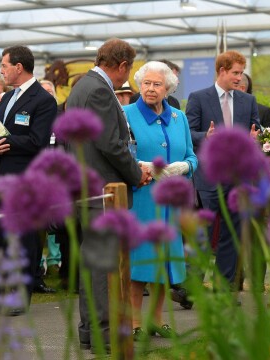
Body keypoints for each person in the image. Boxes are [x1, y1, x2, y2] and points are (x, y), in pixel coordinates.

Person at [65, 38, 152, 350]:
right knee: (104, 267)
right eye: (126, 72)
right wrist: (135, 172)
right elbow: (111, 144)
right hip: (103, 191)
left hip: (87, 188)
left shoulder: (81, 87)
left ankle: (90, 331)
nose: (124, 79)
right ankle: (103, 333)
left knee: (93, 263)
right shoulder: (100, 90)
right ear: (123, 65)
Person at [0, 45, 58, 316]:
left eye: (4, 65)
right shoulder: (8, 98)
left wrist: (4, 141)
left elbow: (38, 141)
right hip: (0, 179)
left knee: (23, 239)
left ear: (19, 67)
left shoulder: (43, 100)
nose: (1, 70)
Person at [124, 61, 198, 339]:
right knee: (140, 262)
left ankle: (156, 320)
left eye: (156, 84)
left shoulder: (179, 117)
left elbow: (192, 156)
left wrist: (184, 167)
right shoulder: (127, 113)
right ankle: (134, 323)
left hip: (172, 203)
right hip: (142, 199)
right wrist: (142, 166)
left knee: (165, 263)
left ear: (168, 88)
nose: (150, 88)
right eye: (146, 83)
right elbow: (120, 152)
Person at [186, 50, 260, 290]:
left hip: (238, 179)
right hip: (208, 177)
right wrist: (204, 136)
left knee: (232, 234)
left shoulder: (248, 101)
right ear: (222, 71)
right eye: (235, 73)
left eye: (241, 73)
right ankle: (191, 287)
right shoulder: (198, 97)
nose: (239, 78)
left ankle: (224, 288)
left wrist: (255, 137)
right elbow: (188, 133)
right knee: (204, 235)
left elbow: (256, 129)